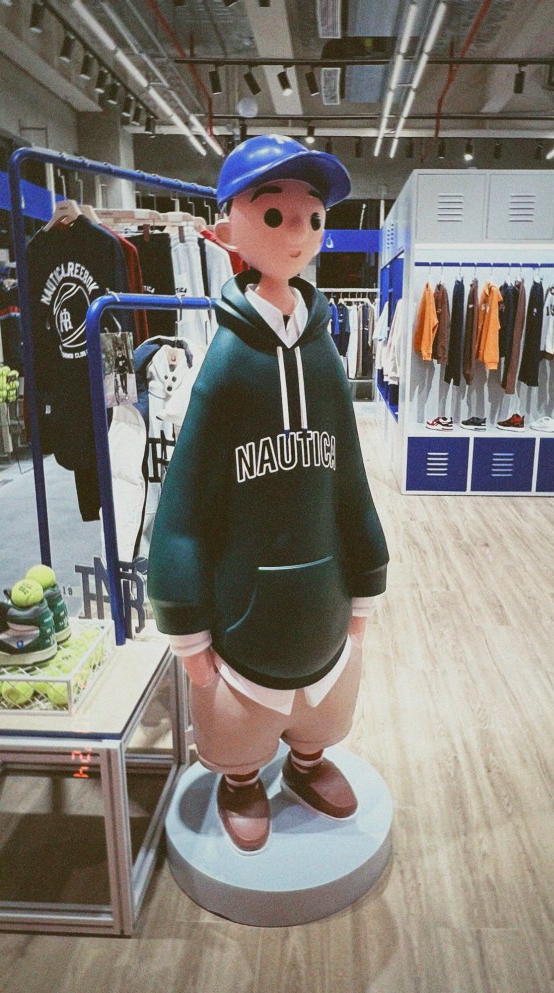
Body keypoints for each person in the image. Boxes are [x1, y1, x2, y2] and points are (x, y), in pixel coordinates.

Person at [148, 135, 388, 854]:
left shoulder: (324, 351)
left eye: (312, 217)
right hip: (243, 607)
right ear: (228, 232)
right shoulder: (225, 362)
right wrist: (186, 628)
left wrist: (367, 579)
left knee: (324, 710)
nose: (298, 233)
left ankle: (308, 761)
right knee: (238, 722)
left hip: (323, 597)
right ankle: (242, 778)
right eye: (276, 216)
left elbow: (350, 476)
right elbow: (183, 504)